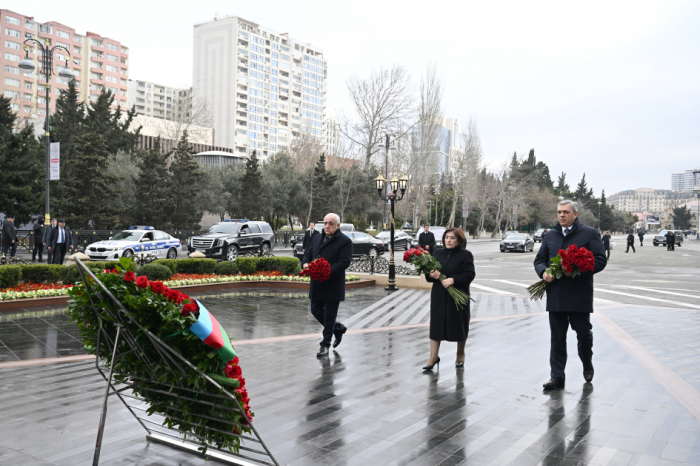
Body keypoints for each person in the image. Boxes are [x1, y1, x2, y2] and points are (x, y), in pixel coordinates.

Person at [534, 200, 607, 390]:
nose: (561, 216)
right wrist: (543, 272)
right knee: (557, 338)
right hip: (556, 295)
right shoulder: (550, 235)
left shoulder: (590, 233)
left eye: (566, 212)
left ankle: (587, 362)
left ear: (575, 214)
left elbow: (600, 260)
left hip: (579, 295)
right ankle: (557, 377)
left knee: (583, 334)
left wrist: (578, 269)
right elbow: (540, 260)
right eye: (559, 212)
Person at [423, 228, 476, 371]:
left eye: (452, 238)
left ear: (459, 240)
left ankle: (460, 354)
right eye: (446, 237)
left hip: (458, 297)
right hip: (439, 296)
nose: (448, 240)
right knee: (436, 327)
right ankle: (433, 357)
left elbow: (470, 274)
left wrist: (454, 280)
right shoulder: (437, 253)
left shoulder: (466, 255)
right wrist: (431, 275)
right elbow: (430, 272)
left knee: (459, 325)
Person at [302, 213, 353, 357]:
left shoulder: (345, 241)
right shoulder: (317, 238)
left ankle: (325, 345)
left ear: (337, 226)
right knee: (315, 310)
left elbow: (344, 262)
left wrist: (327, 270)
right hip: (317, 284)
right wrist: (305, 263)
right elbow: (308, 254)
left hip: (333, 285)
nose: (327, 226)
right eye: (325, 223)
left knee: (329, 316)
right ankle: (338, 328)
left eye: (331, 223)